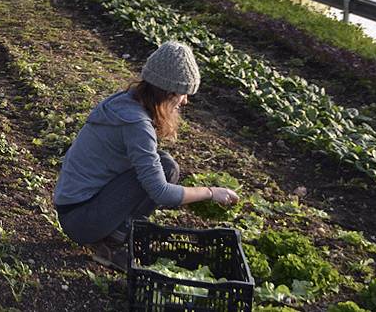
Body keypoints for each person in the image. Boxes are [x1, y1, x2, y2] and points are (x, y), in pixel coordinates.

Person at [52, 41, 239, 271]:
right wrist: (210, 193)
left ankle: (112, 237)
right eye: (183, 94)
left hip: (76, 207)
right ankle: (111, 245)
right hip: (81, 219)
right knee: (165, 171)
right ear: (168, 92)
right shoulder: (136, 123)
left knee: (167, 165)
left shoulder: (127, 101)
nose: (185, 101)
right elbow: (161, 193)